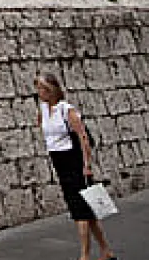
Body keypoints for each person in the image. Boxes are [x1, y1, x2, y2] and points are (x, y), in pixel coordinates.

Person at [35, 72, 116, 260]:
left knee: (79, 210)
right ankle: (106, 251)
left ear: (52, 90)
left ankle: (84, 256)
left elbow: (83, 137)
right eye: (38, 88)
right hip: (58, 160)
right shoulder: (43, 109)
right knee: (88, 210)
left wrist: (86, 165)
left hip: (73, 160)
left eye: (42, 88)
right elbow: (45, 131)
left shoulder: (66, 109)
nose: (39, 92)